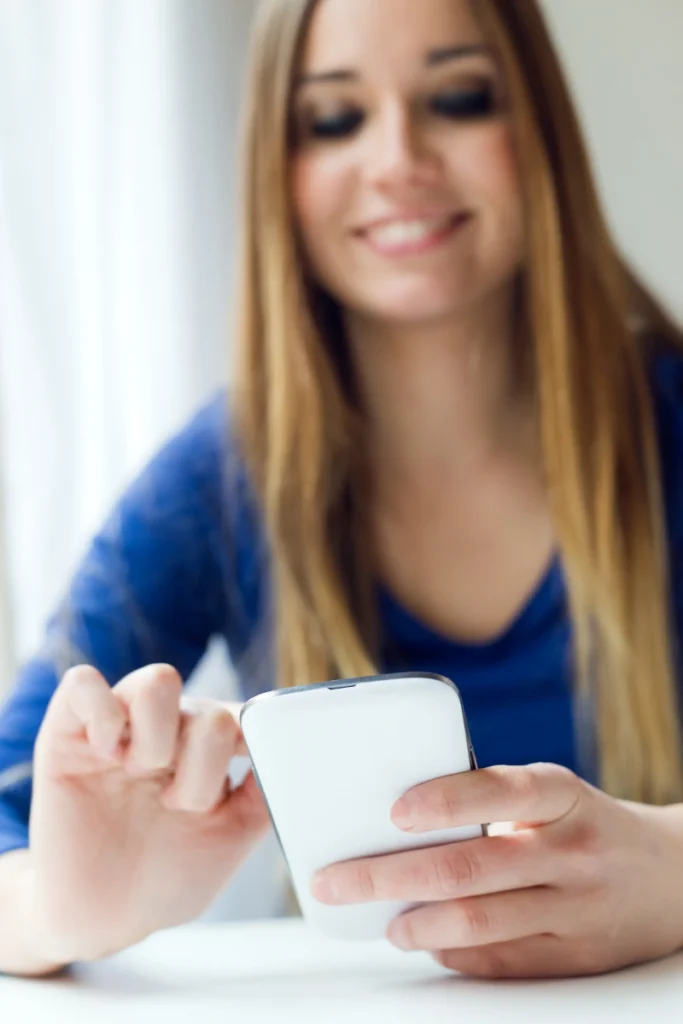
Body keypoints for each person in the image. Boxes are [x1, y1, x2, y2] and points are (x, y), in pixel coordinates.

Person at [1, 0, 683, 981]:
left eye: (456, 98)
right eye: (333, 119)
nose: (398, 156)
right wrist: (57, 907)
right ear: (274, 169)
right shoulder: (217, 481)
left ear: (537, 129)